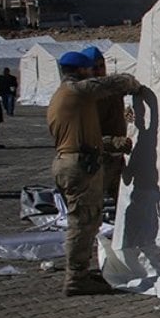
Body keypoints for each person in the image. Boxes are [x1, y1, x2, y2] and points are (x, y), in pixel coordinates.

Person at [46, 51, 143, 296]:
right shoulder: (77, 91)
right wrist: (135, 85)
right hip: (79, 164)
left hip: (70, 162)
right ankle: (76, 278)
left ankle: (81, 273)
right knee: (82, 224)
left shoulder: (63, 95)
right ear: (82, 71)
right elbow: (121, 82)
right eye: (93, 69)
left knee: (87, 221)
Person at [83, 46, 131, 208]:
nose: (98, 71)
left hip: (116, 156)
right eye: (94, 68)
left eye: (101, 66)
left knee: (123, 202)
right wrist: (113, 141)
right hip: (97, 157)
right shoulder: (84, 94)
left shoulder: (111, 87)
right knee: (91, 206)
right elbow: (84, 135)